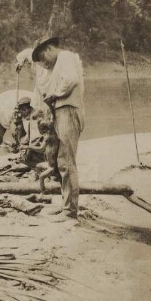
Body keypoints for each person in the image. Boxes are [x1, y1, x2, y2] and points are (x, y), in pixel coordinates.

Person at [31, 36, 85, 221]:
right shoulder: (59, 62)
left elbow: (71, 80)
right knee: (62, 161)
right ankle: (66, 205)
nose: (44, 64)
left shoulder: (65, 57)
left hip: (69, 110)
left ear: (48, 49)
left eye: (42, 58)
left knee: (67, 162)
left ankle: (70, 211)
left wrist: (54, 95)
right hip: (62, 112)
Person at [0, 90, 33, 168]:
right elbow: (15, 127)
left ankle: (27, 158)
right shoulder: (14, 114)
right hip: (2, 104)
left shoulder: (37, 110)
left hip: (21, 103)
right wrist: (18, 143)